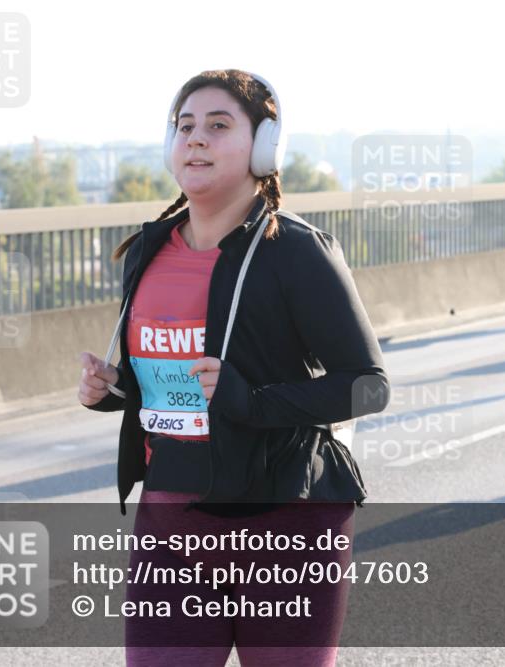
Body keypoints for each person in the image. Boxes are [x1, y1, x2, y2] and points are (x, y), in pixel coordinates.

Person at [77, 69, 391, 666]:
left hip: (287, 523)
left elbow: (369, 386)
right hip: (171, 522)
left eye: (219, 126)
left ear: (265, 147)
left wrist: (254, 402)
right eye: (185, 125)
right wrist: (115, 389)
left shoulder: (296, 251)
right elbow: (170, 386)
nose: (197, 138)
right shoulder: (147, 250)